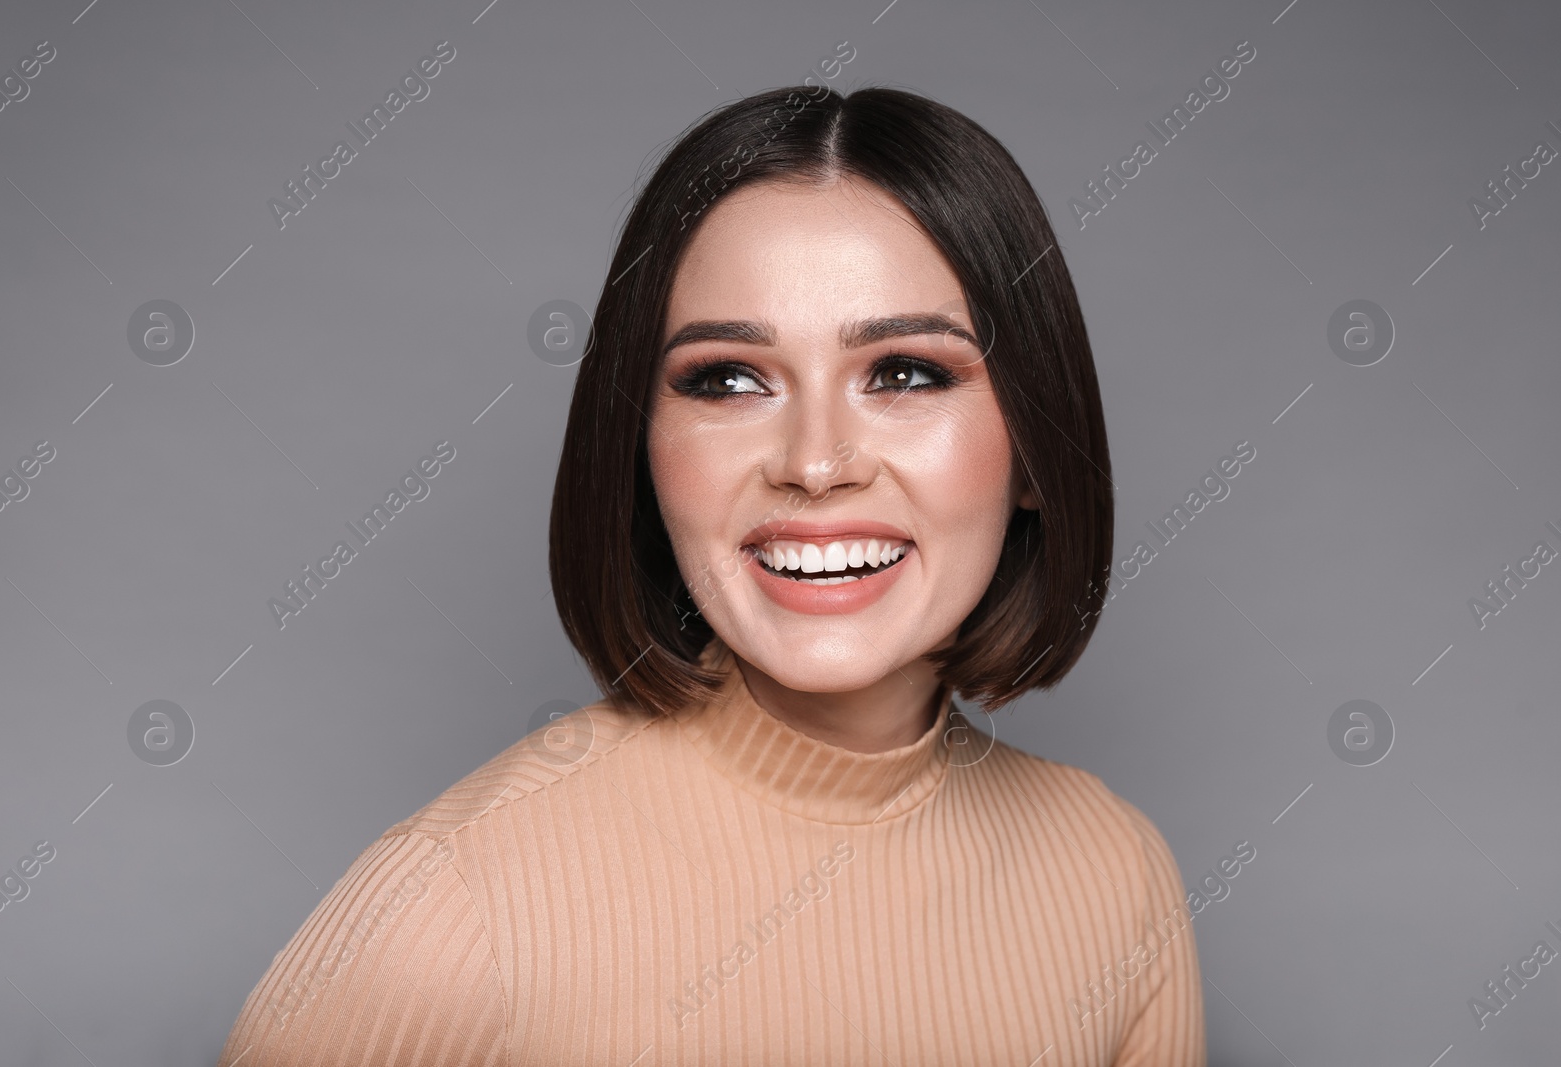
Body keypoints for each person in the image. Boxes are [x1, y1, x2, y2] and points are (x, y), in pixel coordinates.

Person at [217, 82, 1206, 1066]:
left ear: (1034, 448)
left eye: (905, 372)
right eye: (726, 379)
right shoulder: (452, 901)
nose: (814, 462)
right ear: (641, 448)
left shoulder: (1114, 874)